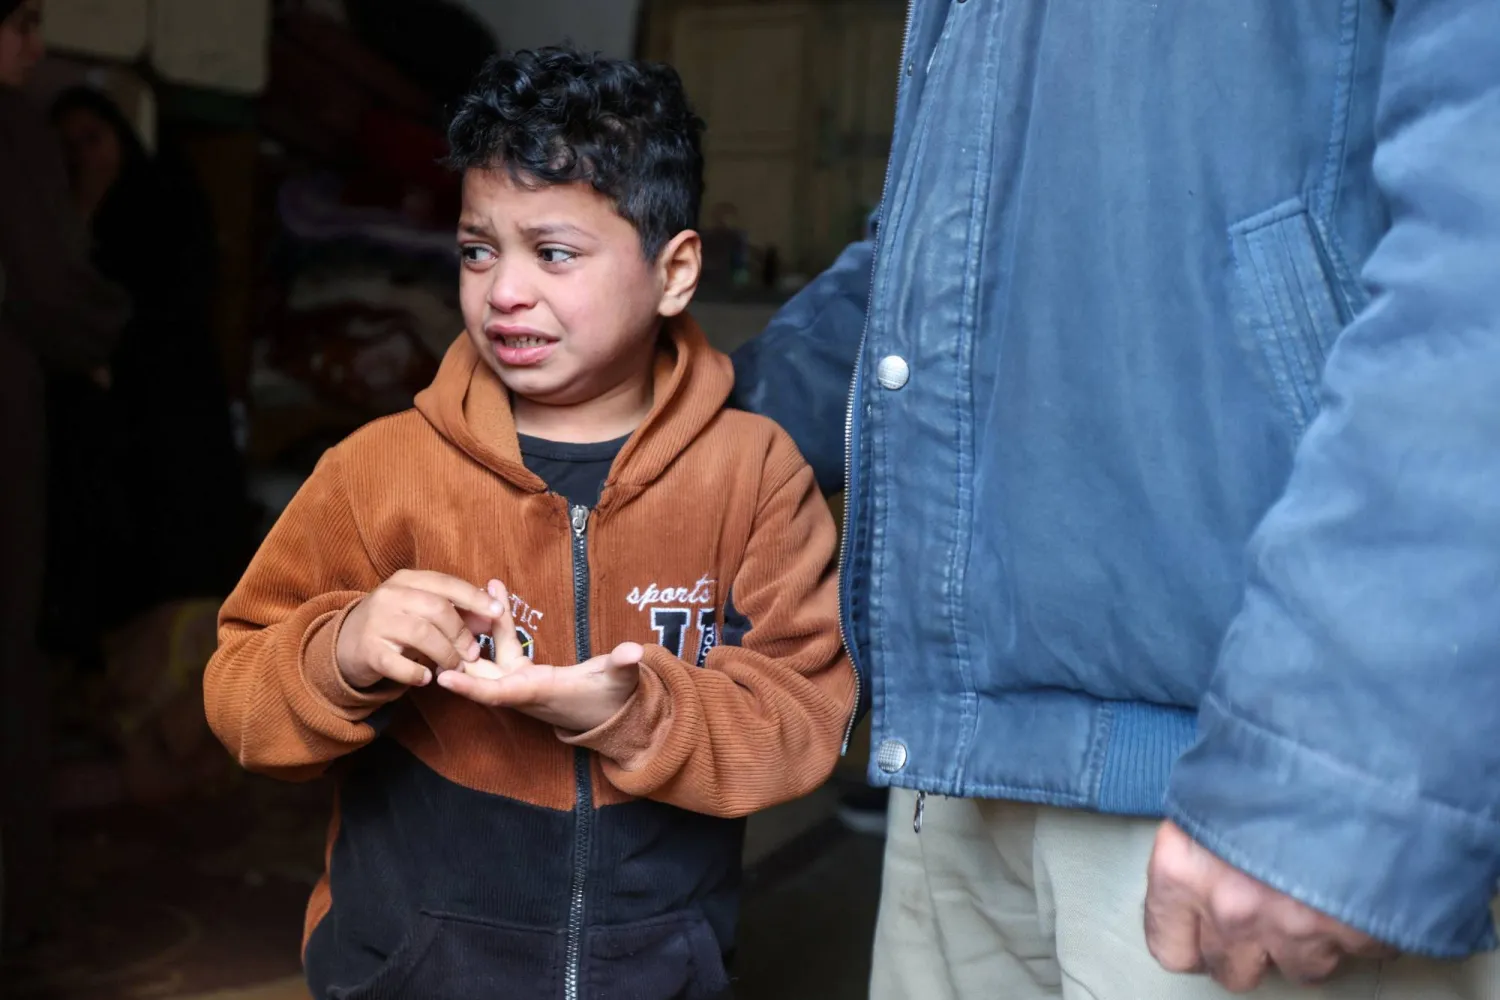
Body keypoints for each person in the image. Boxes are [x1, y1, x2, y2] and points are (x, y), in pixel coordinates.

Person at [731, 1, 1500, 998]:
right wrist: (649, 439)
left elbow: (1476, 264)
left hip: (1236, 784)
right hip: (968, 775)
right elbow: (933, 256)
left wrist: (1337, 759)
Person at [203, 47, 855, 1000]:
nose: (504, 291)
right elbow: (239, 696)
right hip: (408, 976)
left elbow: (806, 718)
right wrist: (341, 649)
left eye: (554, 253)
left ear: (674, 272)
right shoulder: (380, 470)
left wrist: (637, 716)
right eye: (478, 250)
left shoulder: (752, 475)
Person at [0, 0, 129, 953]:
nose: (34, 49)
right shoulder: (10, 128)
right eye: (20, 24)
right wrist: (92, 340)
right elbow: (51, 286)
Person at [46, 86, 249, 648]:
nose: (83, 156)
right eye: (68, 146)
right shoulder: (51, 220)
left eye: (93, 139)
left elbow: (172, 306)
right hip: (107, 434)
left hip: (174, 410)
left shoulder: (163, 199)